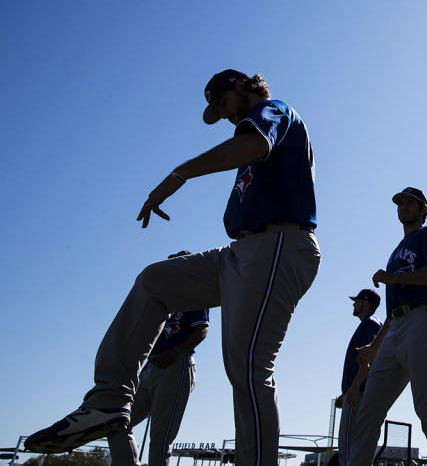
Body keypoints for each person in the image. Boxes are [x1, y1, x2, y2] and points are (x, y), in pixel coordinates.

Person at [25, 69, 321, 466]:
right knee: (154, 281)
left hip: (280, 243)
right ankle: (109, 401)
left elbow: (253, 144)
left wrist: (179, 174)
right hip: (242, 250)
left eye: (222, 104)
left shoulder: (275, 110)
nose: (223, 114)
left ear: (240, 86)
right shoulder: (250, 127)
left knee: (248, 368)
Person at [344, 187, 427, 466]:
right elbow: (393, 312)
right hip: (394, 330)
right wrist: (374, 346)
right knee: (368, 412)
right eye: (400, 203)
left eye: (410, 203)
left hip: (422, 320)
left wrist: (393, 280)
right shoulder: (396, 252)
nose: (403, 206)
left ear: (423, 209)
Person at [107, 285, 210, 466]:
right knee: (118, 422)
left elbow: (202, 330)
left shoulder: (194, 295)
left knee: (161, 435)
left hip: (176, 364)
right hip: (151, 366)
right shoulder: (163, 300)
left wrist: (177, 351)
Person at [336, 289, 382, 459]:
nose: (355, 304)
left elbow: (368, 360)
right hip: (360, 391)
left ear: (366, 303)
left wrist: (353, 388)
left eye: (357, 301)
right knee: (357, 447)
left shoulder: (370, 323)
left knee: (348, 447)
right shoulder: (370, 323)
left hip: (359, 393)